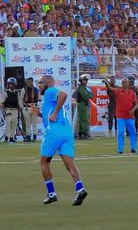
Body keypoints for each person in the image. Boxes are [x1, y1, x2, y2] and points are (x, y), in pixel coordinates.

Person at [37, 73, 88, 206]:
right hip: (66, 132)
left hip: (54, 131)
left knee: (44, 162)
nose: (39, 85)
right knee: (70, 164)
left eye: (41, 82)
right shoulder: (49, 98)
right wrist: (39, 114)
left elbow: (64, 95)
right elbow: (50, 114)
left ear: (49, 83)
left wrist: (54, 113)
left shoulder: (50, 91)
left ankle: (51, 194)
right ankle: (80, 189)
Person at [113, 76, 138, 154]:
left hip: (130, 117)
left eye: (125, 82)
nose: (124, 83)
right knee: (120, 132)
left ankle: (134, 148)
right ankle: (120, 149)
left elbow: (136, 104)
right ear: (121, 84)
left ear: (128, 83)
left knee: (132, 132)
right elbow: (110, 88)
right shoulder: (118, 91)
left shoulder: (133, 93)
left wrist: (133, 110)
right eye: (123, 82)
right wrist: (106, 83)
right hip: (120, 116)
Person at [1, 77, 22, 143]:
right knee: (8, 124)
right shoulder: (5, 92)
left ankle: (12, 137)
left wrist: (20, 110)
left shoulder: (16, 92)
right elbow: (2, 103)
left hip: (15, 110)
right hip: (8, 110)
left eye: (11, 84)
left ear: (14, 84)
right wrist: (4, 112)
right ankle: (7, 137)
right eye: (9, 84)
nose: (10, 85)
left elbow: (18, 102)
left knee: (14, 124)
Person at [74, 75, 92, 140]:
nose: (85, 82)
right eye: (83, 80)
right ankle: (85, 134)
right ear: (81, 81)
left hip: (83, 104)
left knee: (82, 120)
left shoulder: (83, 88)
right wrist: (88, 93)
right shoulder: (81, 88)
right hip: (82, 105)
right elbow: (87, 97)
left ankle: (80, 134)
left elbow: (90, 95)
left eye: (85, 80)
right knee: (84, 120)